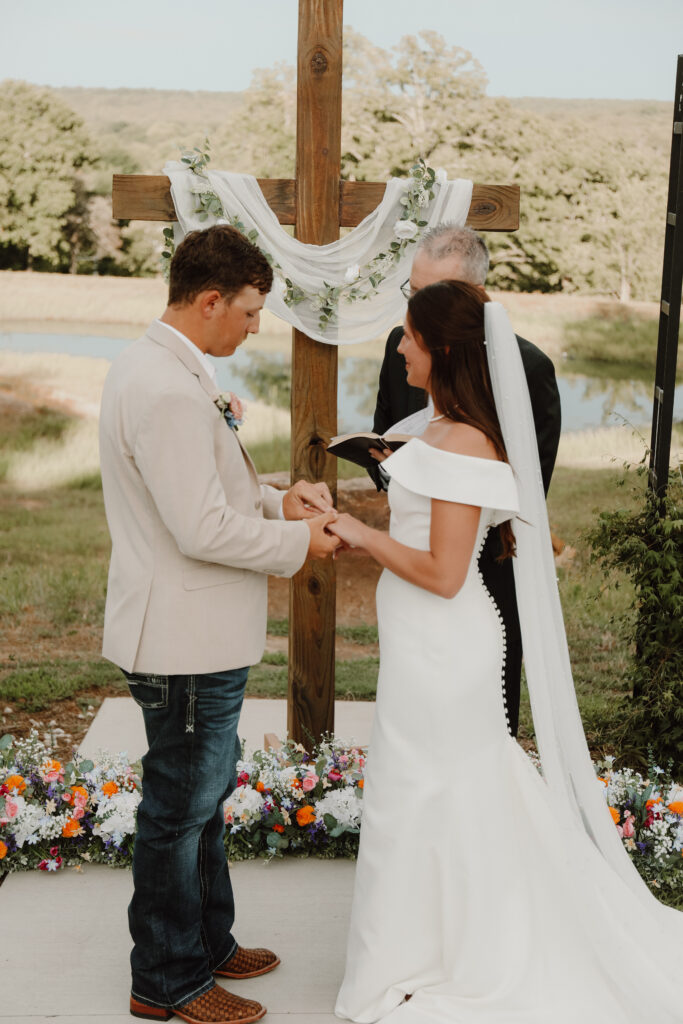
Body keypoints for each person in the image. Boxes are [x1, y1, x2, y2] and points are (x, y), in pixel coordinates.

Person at [331, 281, 683, 1024]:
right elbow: (421, 524)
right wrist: (334, 510)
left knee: (427, 793)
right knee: (425, 794)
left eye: (408, 338)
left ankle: (451, 954)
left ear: (443, 349)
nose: (398, 349)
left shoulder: (464, 442)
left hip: (443, 649)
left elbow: (442, 571)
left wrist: (359, 536)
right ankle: (428, 943)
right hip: (422, 644)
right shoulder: (436, 425)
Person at [99, 225, 340, 1024]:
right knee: (178, 809)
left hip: (193, 631)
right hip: (183, 638)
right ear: (208, 301)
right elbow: (199, 529)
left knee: (203, 797)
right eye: (248, 310)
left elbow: (205, 491)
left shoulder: (166, 367)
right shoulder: (165, 387)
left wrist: (278, 499)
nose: (253, 325)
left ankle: (207, 938)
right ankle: (167, 980)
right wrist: (299, 542)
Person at [368, 225, 561, 737]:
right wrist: (389, 463)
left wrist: (443, 474)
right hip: (412, 583)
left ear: (472, 299)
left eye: (433, 297)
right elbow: (386, 424)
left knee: (483, 734)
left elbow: (525, 493)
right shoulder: (401, 345)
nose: (416, 314)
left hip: (484, 578)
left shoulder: (529, 369)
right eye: (413, 292)